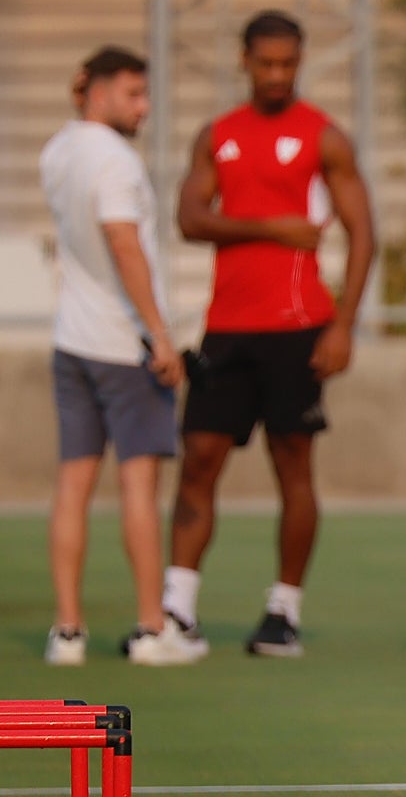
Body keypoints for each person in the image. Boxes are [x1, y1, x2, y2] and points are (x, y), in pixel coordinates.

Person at [164, 10, 376, 658]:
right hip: (226, 330)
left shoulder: (325, 138)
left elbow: (363, 233)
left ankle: (283, 610)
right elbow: (190, 219)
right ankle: (177, 610)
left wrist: (343, 325)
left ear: (300, 61)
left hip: (297, 328)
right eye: (267, 63)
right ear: (245, 61)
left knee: (294, 468)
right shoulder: (217, 136)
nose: (278, 75)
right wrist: (271, 228)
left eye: (289, 63)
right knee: (199, 461)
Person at [39, 46, 204, 666]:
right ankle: (149, 627)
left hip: (72, 338)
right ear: (97, 91)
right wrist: (161, 336)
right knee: (139, 483)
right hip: (120, 344)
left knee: (73, 484)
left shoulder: (58, 149)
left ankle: (68, 630)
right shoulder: (113, 159)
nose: (144, 107)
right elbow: (121, 240)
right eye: (133, 94)